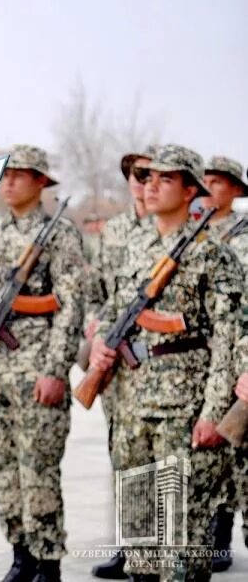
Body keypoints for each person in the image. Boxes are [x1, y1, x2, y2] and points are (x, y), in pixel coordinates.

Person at [90, 145, 243, 581]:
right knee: (139, 538)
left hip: (184, 410)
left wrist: (214, 412)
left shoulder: (213, 255)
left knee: (180, 546)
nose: (150, 186)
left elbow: (228, 341)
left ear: (191, 189)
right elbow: (111, 309)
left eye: (165, 179)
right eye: (147, 177)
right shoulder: (135, 247)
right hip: (131, 405)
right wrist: (102, 342)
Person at [0, 144, 85, 582]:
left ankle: (48, 562)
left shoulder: (61, 234)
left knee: (39, 471)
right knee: (3, 468)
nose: (9, 181)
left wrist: (55, 370)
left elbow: (72, 308)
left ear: (41, 182)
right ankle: (20, 554)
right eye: (6, 173)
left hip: (37, 373)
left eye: (21, 174)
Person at [88, 146, 156, 580]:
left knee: (159, 464)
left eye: (148, 173)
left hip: (159, 367)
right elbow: (97, 292)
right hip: (116, 364)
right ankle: (128, 548)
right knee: (122, 456)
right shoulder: (113, 232)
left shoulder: (173, 230)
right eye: (132, 172)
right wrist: (96, 334)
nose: (139, 180)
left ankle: (157, 555)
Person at [201, 156, 248, 571]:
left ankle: (222, 535)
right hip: (205, 359)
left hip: (240, 356)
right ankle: (211, 535)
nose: (208, 187)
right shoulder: (197, 234)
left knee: (236, 450)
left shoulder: (244, 236)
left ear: (235, 189)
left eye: (216, 182)